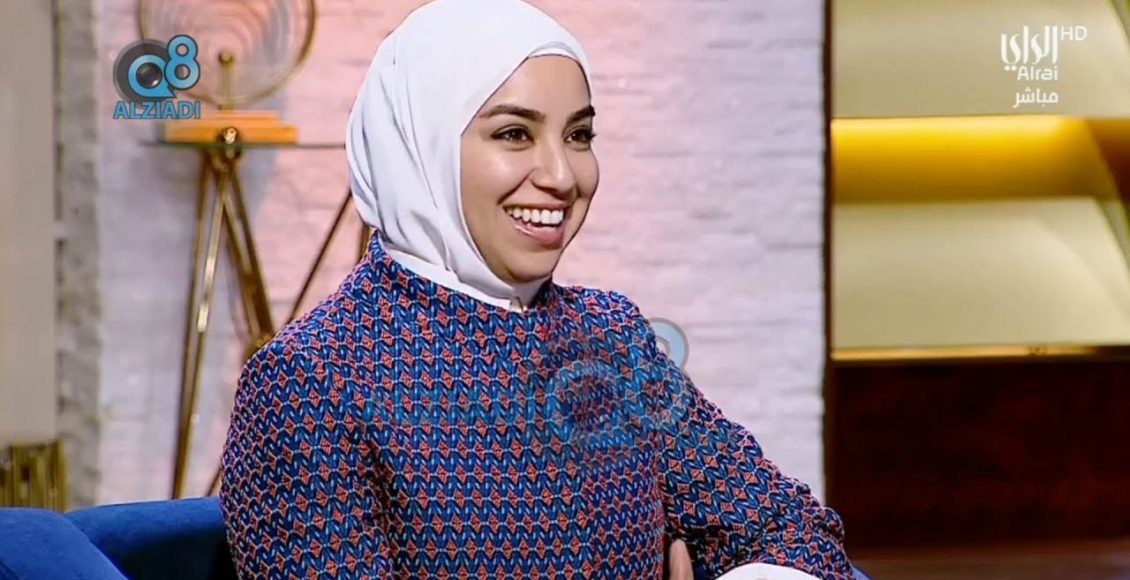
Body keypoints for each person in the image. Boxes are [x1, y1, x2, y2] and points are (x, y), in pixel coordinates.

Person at [219, 0, 854, 578]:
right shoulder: (310, 379)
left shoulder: (612, 338)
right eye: (514, 134)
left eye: (578, 136)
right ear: (418, 147)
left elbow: (795, 533)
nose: (562, 176)